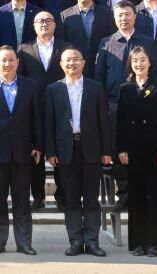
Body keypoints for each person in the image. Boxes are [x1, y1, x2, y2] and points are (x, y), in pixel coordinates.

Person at [44, 47, 112, 257]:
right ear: (61, 64)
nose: (72, 63)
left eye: (76, 59)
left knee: (91, 199)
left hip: (91, 149)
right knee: (71, 199)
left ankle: (92, 242)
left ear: (83, 63)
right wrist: (50, 151)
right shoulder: (53, 89)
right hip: (65, 150)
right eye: (68, 60)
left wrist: (107, 150)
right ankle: (75, 241)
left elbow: (104, 120)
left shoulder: (95, 87)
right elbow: (49, 123)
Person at [0, 46, 41, 256]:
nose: (7, 64)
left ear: (17, 62)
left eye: (11, 60)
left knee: (22, 200)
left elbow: (37, 119)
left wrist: (38, 145)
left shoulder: (30, 86)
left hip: (23, 152)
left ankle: (24, 243)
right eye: (3, 60)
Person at [95, 1, 157, 209]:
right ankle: (124, 193)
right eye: (120, 15)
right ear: (115, 18)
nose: (124, 18)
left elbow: (156, 73)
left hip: (142, 103)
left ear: (135, 16)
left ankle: (142, 193)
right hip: (114, 104)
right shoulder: (106, 43)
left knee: (142, 148)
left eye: (128, 14)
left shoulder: (148, 42)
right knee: (118, 150)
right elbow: (99, 76)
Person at [115, 47, 157, 257]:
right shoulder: (125, 88)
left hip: (155, 150)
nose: (139, 64)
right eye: (135, 61)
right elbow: (121, 121)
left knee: (155, 197)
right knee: (137, 197)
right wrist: (121, 148)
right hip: (133, 151)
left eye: (143, 60)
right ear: (130, 64)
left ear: (150, 63)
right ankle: (139, 243)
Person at [17, 11, 67, 210]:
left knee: (61, 151)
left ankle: (62, 195)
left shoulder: (66, 48)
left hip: (60, 106)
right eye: (40, 21)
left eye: (48, 20)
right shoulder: (24, 49)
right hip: (33, 107)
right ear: (34, 26)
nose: (44, 24)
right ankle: (38, 196)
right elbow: (20, 80)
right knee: (35, 152)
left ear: (55, 24)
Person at [60, 0, 115, 75]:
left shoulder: (107, 14)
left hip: (101, 65)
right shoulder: (65, 15)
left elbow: (112, 40)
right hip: (75, 67)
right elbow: (63, 43)